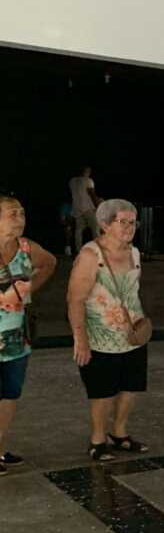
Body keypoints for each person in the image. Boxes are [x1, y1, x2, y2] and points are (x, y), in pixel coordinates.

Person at [67, 199, 151, 463]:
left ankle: (119, 432)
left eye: (132, 222)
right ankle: (97, 439)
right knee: (102, 391)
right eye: (122, 222)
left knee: (131, 386)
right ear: (104, 225)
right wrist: (80, 339)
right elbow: (75, 298)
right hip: (100, 337)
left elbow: (132, 291)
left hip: (133, 334)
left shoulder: (135, 253)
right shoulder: (92, 256)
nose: (129, 227)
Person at [0, 196, 57, 476]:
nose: (20, 218)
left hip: (16, 339)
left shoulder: (26, 247)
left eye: (22, 212)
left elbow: (49, 263)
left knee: (9, 394)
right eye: (12, 213)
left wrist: (28, 290)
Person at [69, 166, 100, 254]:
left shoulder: (72, 181)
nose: (90, 173)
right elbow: (91, 194)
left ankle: (79, 252)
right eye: (89, 171)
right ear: (86, 171)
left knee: (78, 231)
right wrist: (98, 205)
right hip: (88, 208)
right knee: (95, 229)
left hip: (77, 209)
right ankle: (97, 251)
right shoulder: (88, 180)